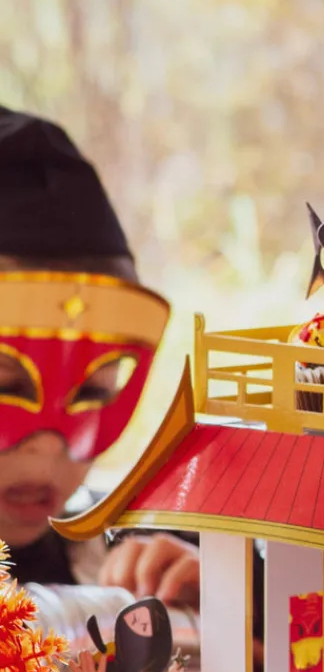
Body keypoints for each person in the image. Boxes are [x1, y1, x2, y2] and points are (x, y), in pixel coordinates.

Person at [0, 106, 199, 605]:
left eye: (93, 391)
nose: (48, 447)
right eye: (6, 387)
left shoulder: (115, 560)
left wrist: (226, 605)